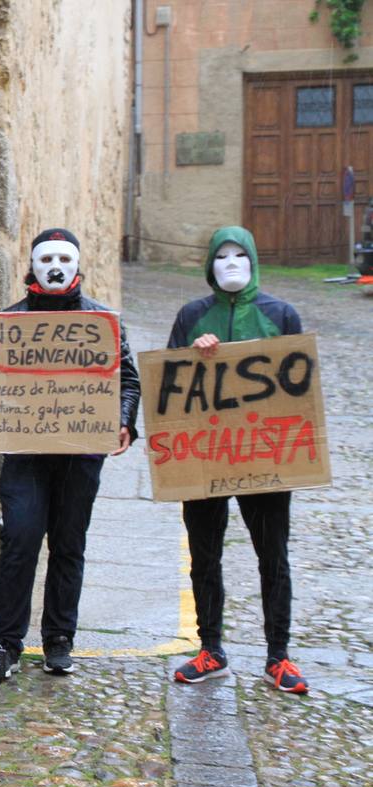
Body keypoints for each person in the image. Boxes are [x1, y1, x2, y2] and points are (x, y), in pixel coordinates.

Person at [0, 228, 140, 676]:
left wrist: (124, 420)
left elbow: (127, 378)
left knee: (69, 544)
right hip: (26, 454)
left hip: (80, 454)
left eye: (64, 259)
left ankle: (59, 638)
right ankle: (6, 640)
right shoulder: (7, 324)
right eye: (46, 259)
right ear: (33, 266)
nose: (56, 267)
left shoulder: (102, 322)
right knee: (20, 540)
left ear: (77, 264)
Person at [168, 226, 309, 694]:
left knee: (273, 555)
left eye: (239, 255)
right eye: (221, 256)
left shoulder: (280, 315)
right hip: (204, 456)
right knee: (204, 555)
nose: (230, 263)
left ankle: (278, 656)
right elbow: (169, 383)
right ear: (210, 265)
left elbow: (300, 386)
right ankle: (211, 648)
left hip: (265, 457)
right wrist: (193, 356)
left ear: (253, 261)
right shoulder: (191, 315)